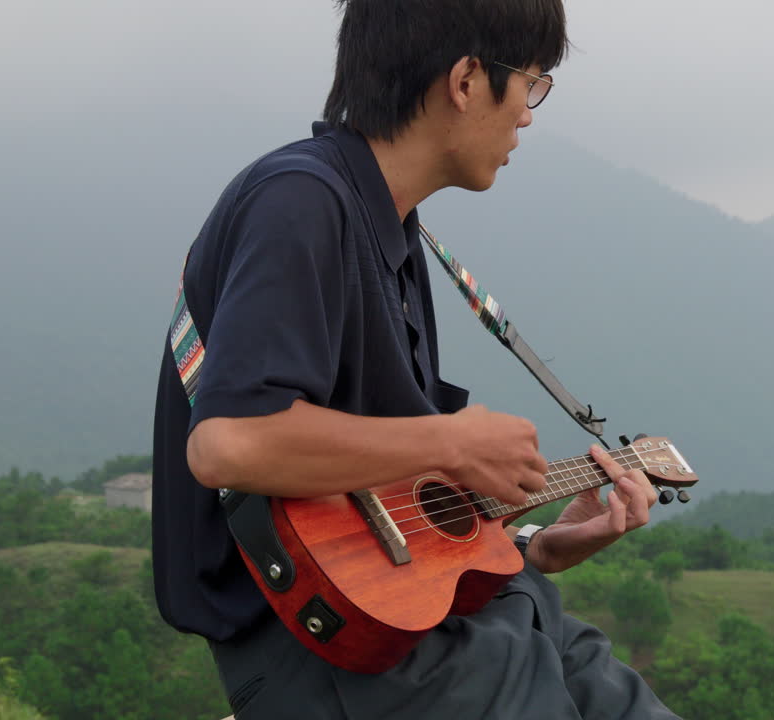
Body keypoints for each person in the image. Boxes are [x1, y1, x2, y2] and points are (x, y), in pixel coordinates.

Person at [151, 1, 681, 718]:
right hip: (335, 655)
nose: (528, 114)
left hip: (446, 624)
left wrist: (536, 543)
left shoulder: (391, 230)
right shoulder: (301, 202)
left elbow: (387, 510)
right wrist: (454, 440)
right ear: (466, 80)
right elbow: (229, 444)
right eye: (530, 83)